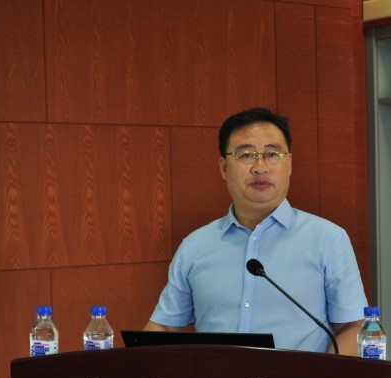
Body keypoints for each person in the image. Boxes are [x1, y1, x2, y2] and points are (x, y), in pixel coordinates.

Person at [144, 107, 368, 355]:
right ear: (224, 167)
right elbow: (164, 326)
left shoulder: (328, 239)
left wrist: (326, 375)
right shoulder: (195, 246)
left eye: (272, 154)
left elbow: (352, 326)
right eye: (246, 155)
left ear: (289, 164)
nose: (260, 168)